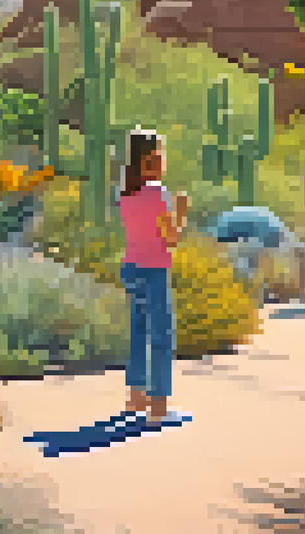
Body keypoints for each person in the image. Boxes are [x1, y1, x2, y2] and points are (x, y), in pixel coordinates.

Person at [116, 128, 190, 426]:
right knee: (161, 336)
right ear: (150, 159)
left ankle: (136, 398)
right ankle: (159, 406)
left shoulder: (125, 193)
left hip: (131, 267)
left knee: (138, 333)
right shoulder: (158, 193)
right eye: (160, 154)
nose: (163, 160)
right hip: (154, 269)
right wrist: (181, 213)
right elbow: (171, 239)